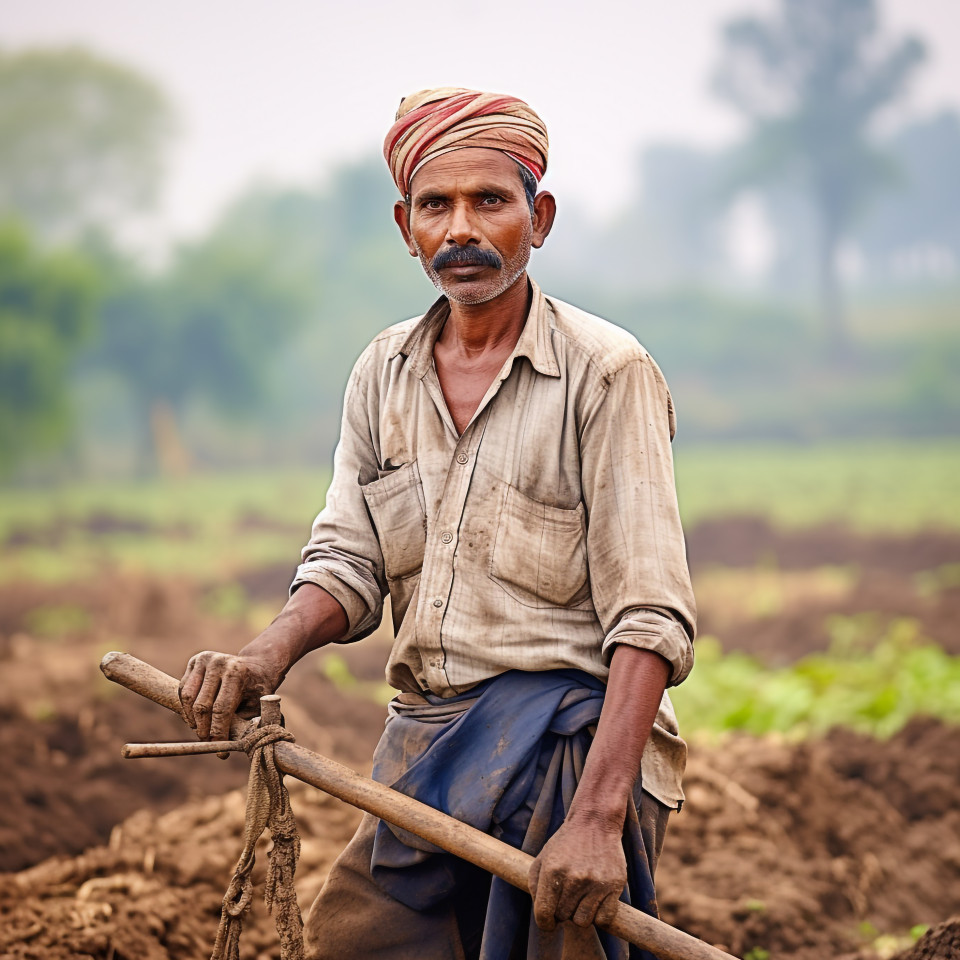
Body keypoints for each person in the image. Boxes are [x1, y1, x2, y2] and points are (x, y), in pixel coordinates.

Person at [177, 87, 696, 960]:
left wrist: (599, 818)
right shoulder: (385, 371)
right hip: (428, 746)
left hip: (570, 754)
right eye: (435, 206)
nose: (462, 229)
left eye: (490, 201)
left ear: (540, 217)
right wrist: (263, 656)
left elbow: (650, 616)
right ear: (404, 224)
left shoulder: (607, 374)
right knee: (355, 943)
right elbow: (348, 560)